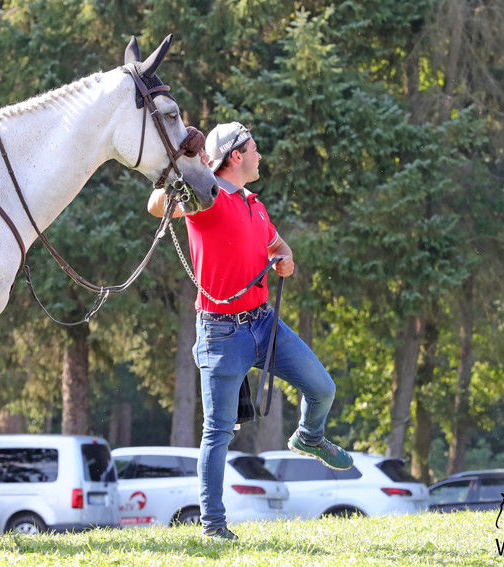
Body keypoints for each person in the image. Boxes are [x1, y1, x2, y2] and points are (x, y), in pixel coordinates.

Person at [147, 121, 352, 541]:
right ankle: (214, 526)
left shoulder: (254, 203)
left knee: (323, 388)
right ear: (236, 156)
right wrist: (189, 168)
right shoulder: (207, 199)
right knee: (218, 432)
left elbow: (277, 246)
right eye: (254, 150)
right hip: (221, 334)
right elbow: (155, 204)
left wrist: (285, 258)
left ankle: (309, 436)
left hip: (263, 321)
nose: (260, 156)